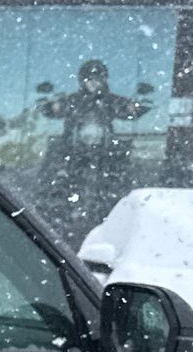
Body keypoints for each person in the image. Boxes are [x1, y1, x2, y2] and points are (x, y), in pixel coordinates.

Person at [34, 59, 152, 240]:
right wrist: (47, 103)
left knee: (118, 172)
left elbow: (131, 110)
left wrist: (140, 104)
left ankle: (114, 210)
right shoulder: (72, 100)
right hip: (73, 152)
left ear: (105, 81)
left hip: (104, 152)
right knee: (57, 168)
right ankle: (52, 213)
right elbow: (52, 110)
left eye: (98, 79)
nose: (94, 83)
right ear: (82, 81)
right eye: (90, 79)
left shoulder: (110, 101)